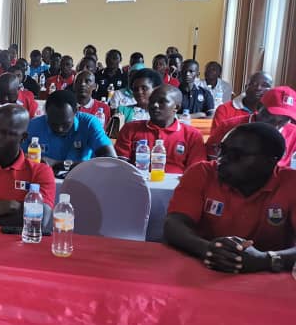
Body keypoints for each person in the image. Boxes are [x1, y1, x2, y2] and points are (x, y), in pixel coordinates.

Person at [164, 123, 296, 273]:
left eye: (236, 155)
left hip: (272, 276)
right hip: (204, 267)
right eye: (222, 150)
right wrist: (209, 249)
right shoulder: (202, 172)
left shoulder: (291, 183)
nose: (222, 159)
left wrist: (265, 259)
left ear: (270, 161)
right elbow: (174, 224)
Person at [115, 86, 207, 174]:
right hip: (137, 182)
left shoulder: (192, 135)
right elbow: (120, 166)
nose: (155, 105)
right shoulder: (130, 129)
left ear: (176, 107)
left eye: (162, 101)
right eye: (152, 101)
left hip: (177, 184)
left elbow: (196, 171)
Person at [23, 90, 116, 171]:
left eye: (65, 124)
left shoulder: (89, 123)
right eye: (53, 124)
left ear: (76, 111)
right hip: (44, 179)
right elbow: (20, 158)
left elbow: (111, 160)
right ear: (46, 113)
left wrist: (58, 164)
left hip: (82, 178)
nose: (60, 129)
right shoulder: (33, 126)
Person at [206, 87, 296, 166]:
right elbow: (211, 157)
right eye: (271, 117)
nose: (276, 125)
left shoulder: (293, 133)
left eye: (284, 120)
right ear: (259, 107)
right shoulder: (229, 126)